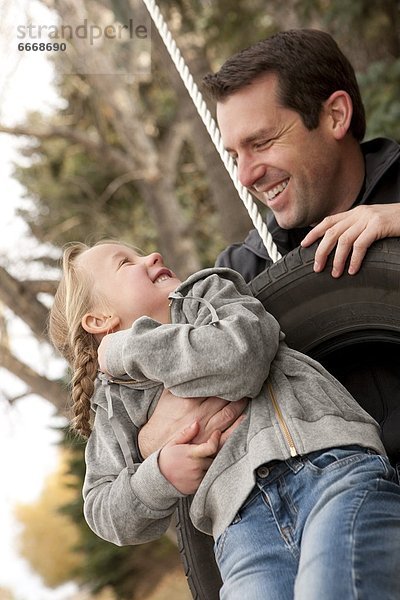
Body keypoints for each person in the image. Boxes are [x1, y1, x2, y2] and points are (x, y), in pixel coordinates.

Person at [49, 239, 400, 600]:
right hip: (243, 528)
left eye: (140, 253)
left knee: (333, 589)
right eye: (126, 263)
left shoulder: (207, 296)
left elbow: (243, 358)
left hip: (328, 469)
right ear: (98, 320)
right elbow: (103, 508)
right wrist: (160, 476)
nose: (152, 255)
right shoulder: (113, 404)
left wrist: (129, 347)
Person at [138, 28, 400, 468]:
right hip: (332, 517)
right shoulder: (240, 276)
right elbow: (176, 420)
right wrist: (153, 440)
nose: (245, 175)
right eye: (235, 154)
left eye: (261, 143)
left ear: (335, 115)